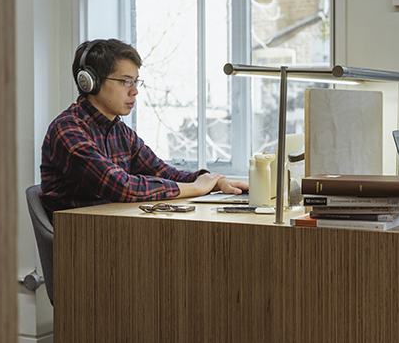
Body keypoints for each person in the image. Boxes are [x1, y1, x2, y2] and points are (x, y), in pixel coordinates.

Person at [40, 39, 248, 220]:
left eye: (136, 81)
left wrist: (217, 182)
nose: (135, 91)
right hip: (79, 242)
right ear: (90, 83)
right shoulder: (67, 130)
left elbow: (164, 172)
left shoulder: (120, 131)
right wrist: (195, 188)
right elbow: (120, 186)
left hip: (117, 230)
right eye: (126, 82)